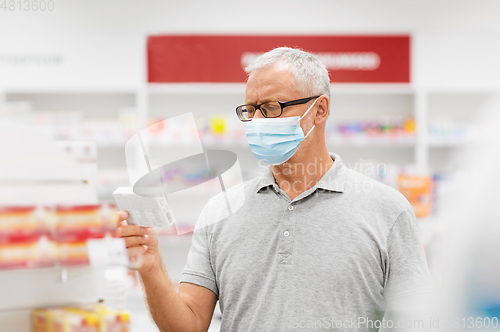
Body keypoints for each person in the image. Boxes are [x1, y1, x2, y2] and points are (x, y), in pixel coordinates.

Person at [116, 47, 435, 332]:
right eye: (249, 110)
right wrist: (151, 267)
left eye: (270, 108)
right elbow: (187, 326)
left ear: (320, 110)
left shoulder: (388, 210)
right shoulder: (220, 210)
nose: (255, 121)